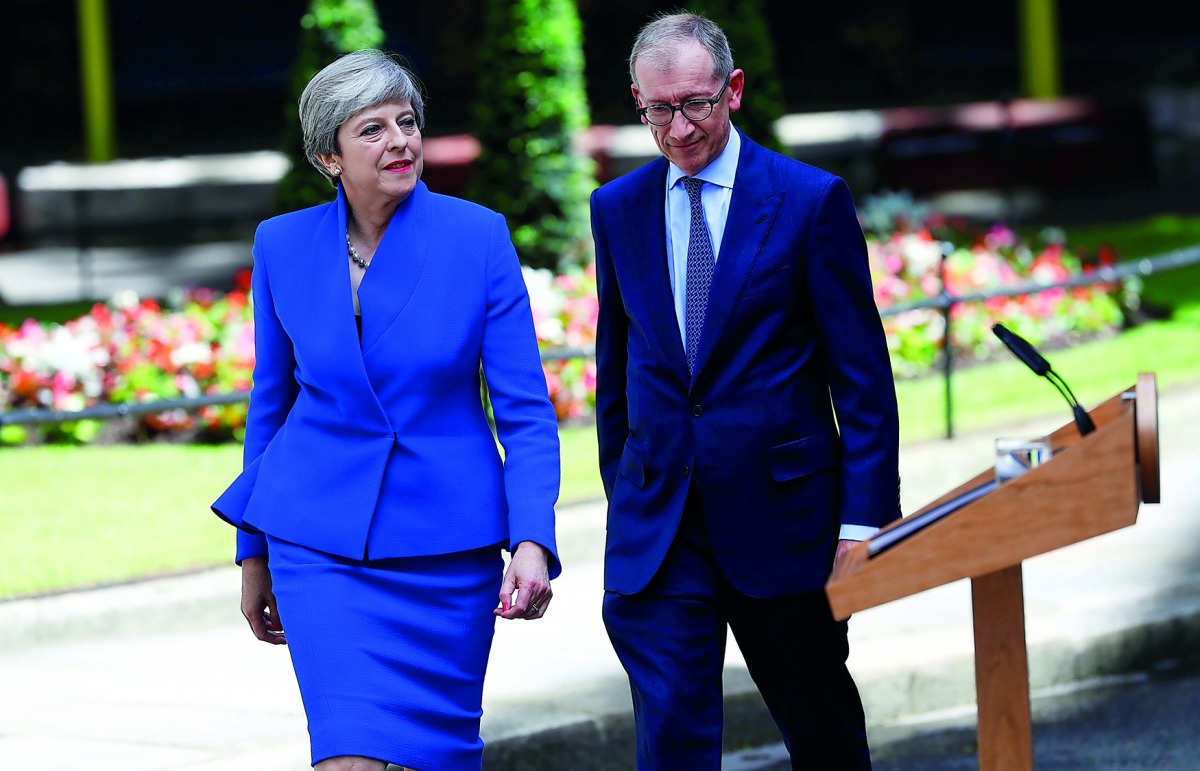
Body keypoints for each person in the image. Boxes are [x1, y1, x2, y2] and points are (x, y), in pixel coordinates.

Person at [211, 49, 560, 771]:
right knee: (346, 758)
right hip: (317, 543)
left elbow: (525, 411)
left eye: (407, 122)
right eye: (372, 129)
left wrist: (532, 538)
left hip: (445, 548)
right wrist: (254, 554)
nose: (400, 140)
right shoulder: (282, 245)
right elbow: (270, 405)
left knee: (434, 759)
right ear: (327, 156)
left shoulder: (477, 237)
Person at [590, 12, 901, 770]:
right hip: (661, 530)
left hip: (785, 527)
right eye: (659, 109)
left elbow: (860, 376)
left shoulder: (807, 199)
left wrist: (863, 521)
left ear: (732, 90)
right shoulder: (618, 208)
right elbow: (616, 366)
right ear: (638, 101)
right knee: (670, 737)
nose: (680, 127)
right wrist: (626, 487)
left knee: (823, 731)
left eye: (696, 103)